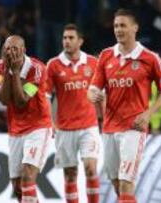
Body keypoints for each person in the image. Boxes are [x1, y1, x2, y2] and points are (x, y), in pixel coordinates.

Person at [87, 9, 161, 203]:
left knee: (126, 183)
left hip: (134, 128)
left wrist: (148, 114)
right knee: (117, 183)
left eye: (123, 25)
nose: (118, 29)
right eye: (116, 26)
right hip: (109, 128)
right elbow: (92, 88)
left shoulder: (150, 58)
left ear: (135, 28)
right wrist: (93, 95)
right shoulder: (106, 56)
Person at [0, 35, 53, 203]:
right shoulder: (0, 66)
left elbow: (21, 101)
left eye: (15, 48)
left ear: (24, 50)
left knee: (28, 176)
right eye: (7, 48)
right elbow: (4, 99)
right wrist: (8, 70)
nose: (10, 52)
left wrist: (17, 72)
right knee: (17, 187)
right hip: (15, 129)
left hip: (38, 127)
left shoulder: (37, 68)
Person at [47, 24, 101, 203]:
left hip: (89, 126)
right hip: (65, 128)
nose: (67, 41)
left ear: (80, 41)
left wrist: (105, 117)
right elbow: (45, 97)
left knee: (91, 168)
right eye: (64, 38)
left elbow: (103, 92)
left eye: (71, 38)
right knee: (70, 175)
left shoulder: (93, 63)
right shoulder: (54, 65)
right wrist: (50, 122)